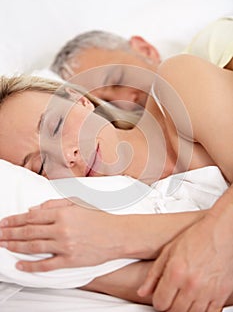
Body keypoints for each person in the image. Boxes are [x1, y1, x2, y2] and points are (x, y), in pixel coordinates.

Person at [0, 54, 233, 311]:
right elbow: (191, 290)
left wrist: (122, 234)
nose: (68, 156)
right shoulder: (89, 238)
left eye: (56, 126)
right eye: (42, 166)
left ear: (80, 101)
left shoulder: (179, 85)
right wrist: (90, 272)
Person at [51, 17, 233, 110]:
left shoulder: (212, 43)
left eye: (118, 79)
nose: (127, 102)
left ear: (145, 50)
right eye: (107, 103)